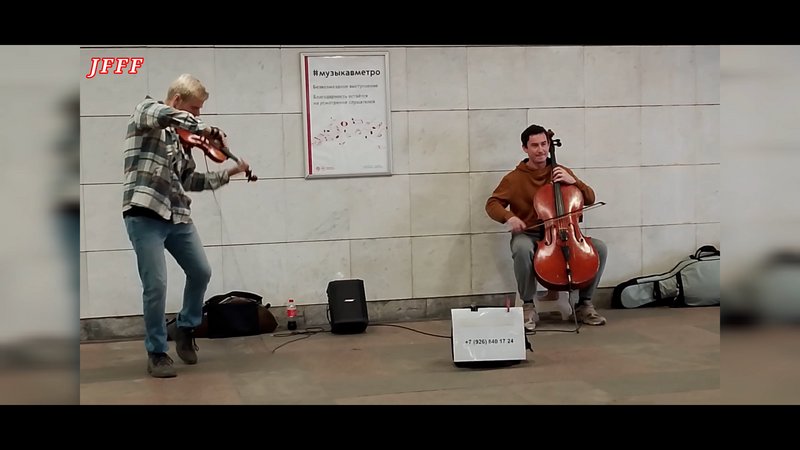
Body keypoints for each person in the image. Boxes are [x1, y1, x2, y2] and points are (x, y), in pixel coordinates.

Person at [122, 74, 250, 378]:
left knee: (201, 271)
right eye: (195, 108)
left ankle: (186, 327)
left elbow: (190, 180)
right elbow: (164, 115)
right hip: (144, 213)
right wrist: (204, 129)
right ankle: (157, 352)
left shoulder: (181, 142)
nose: (197, 115)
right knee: (156, 285)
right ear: (177, 100)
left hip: (177, 215)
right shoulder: (146, 111)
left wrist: (230, 173)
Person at [485, 124, 608, 331]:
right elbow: (492, 203)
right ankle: (528, 305)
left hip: (566, 234)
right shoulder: (514, 179)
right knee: (521, 248)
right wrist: (509, 217)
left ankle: (584, 305)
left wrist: (574, 181)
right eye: (535, 145)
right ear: (525, 148)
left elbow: (589, 198)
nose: (541, 150)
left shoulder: (561, 172)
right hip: (530, 234)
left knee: (600, 248)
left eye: (544, 144)